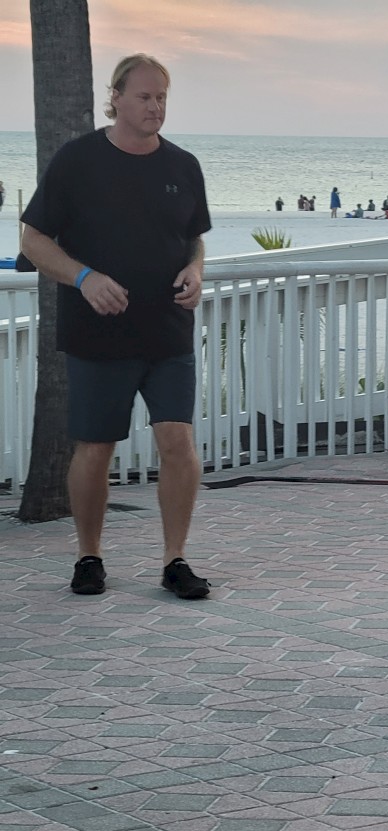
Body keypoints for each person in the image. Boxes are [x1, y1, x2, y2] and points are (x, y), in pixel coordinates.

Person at [19, 53, 213, 600]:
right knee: (96, 448)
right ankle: (89, 556)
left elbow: (195, 239)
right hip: (98, 333)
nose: (156, 107)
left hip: (168, 331)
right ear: (118, 99)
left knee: (178, 441)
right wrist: (83, 278)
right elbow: (32, 240)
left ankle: (175, 559)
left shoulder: (183, 165)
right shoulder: (78, 161)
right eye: (145, 97)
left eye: (162, 98)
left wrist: (195, 272)